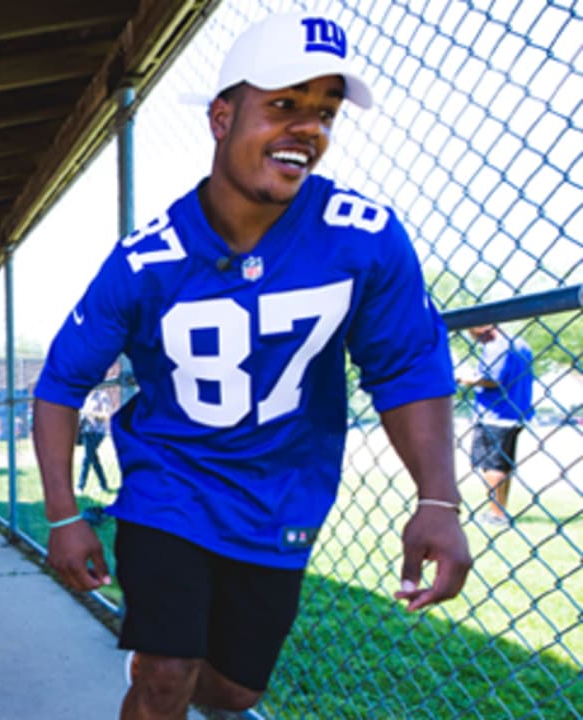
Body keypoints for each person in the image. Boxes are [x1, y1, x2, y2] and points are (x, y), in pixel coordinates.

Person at [31, 13, 472, 719]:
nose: (308, 128)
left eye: (325, 112)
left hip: (282, 496)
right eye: (284, 105)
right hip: (170, 489)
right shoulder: (148, 260)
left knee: (235, 692)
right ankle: (152, 684)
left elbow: (408, 367)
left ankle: (166, 681)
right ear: (221, 117)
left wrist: (438, 500)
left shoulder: (364, 238)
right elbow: (60, 384)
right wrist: (61, 516)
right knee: (168, 670)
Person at [457, 324, 535, 525]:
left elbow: (491, 379)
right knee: (504, 464)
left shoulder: (495, 346)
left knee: (492, 464)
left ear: (482, 328)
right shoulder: (520, 344)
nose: (473, 337)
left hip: (495, 413)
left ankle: (497, 514)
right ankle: (500, 509)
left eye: (472, 331)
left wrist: (464, 378)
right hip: (516, 411)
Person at [77, 388, 112, 492]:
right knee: (93, 458)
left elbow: (106, 415)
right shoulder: (87, 397)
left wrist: (90, 413)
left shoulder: (102, 396)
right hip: (86, 431)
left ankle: (80, 486)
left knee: (87, 458)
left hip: (97, 432)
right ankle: (104, 485)